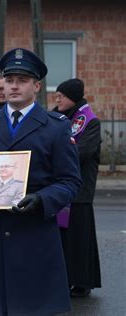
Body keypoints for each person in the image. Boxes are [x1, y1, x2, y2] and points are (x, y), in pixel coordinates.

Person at [0, 48, 83, 315]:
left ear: (36, 86)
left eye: (22, 80)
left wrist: (41, 200)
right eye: (10, 79)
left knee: (31, 308)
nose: (14, 86)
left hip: (33, 234)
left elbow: (70, 181)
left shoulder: (56, 126)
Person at [54, 78, 102, 297]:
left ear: (72, 98)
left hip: (80, 191)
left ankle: (82, 282)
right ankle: (65, 279)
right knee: (65, 239)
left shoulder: (90, 121)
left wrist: (58, 152)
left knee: (80, 239)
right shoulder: (60, 118)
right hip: (62, 186)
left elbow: (83, 152)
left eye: (60, 96)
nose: (57, 99)